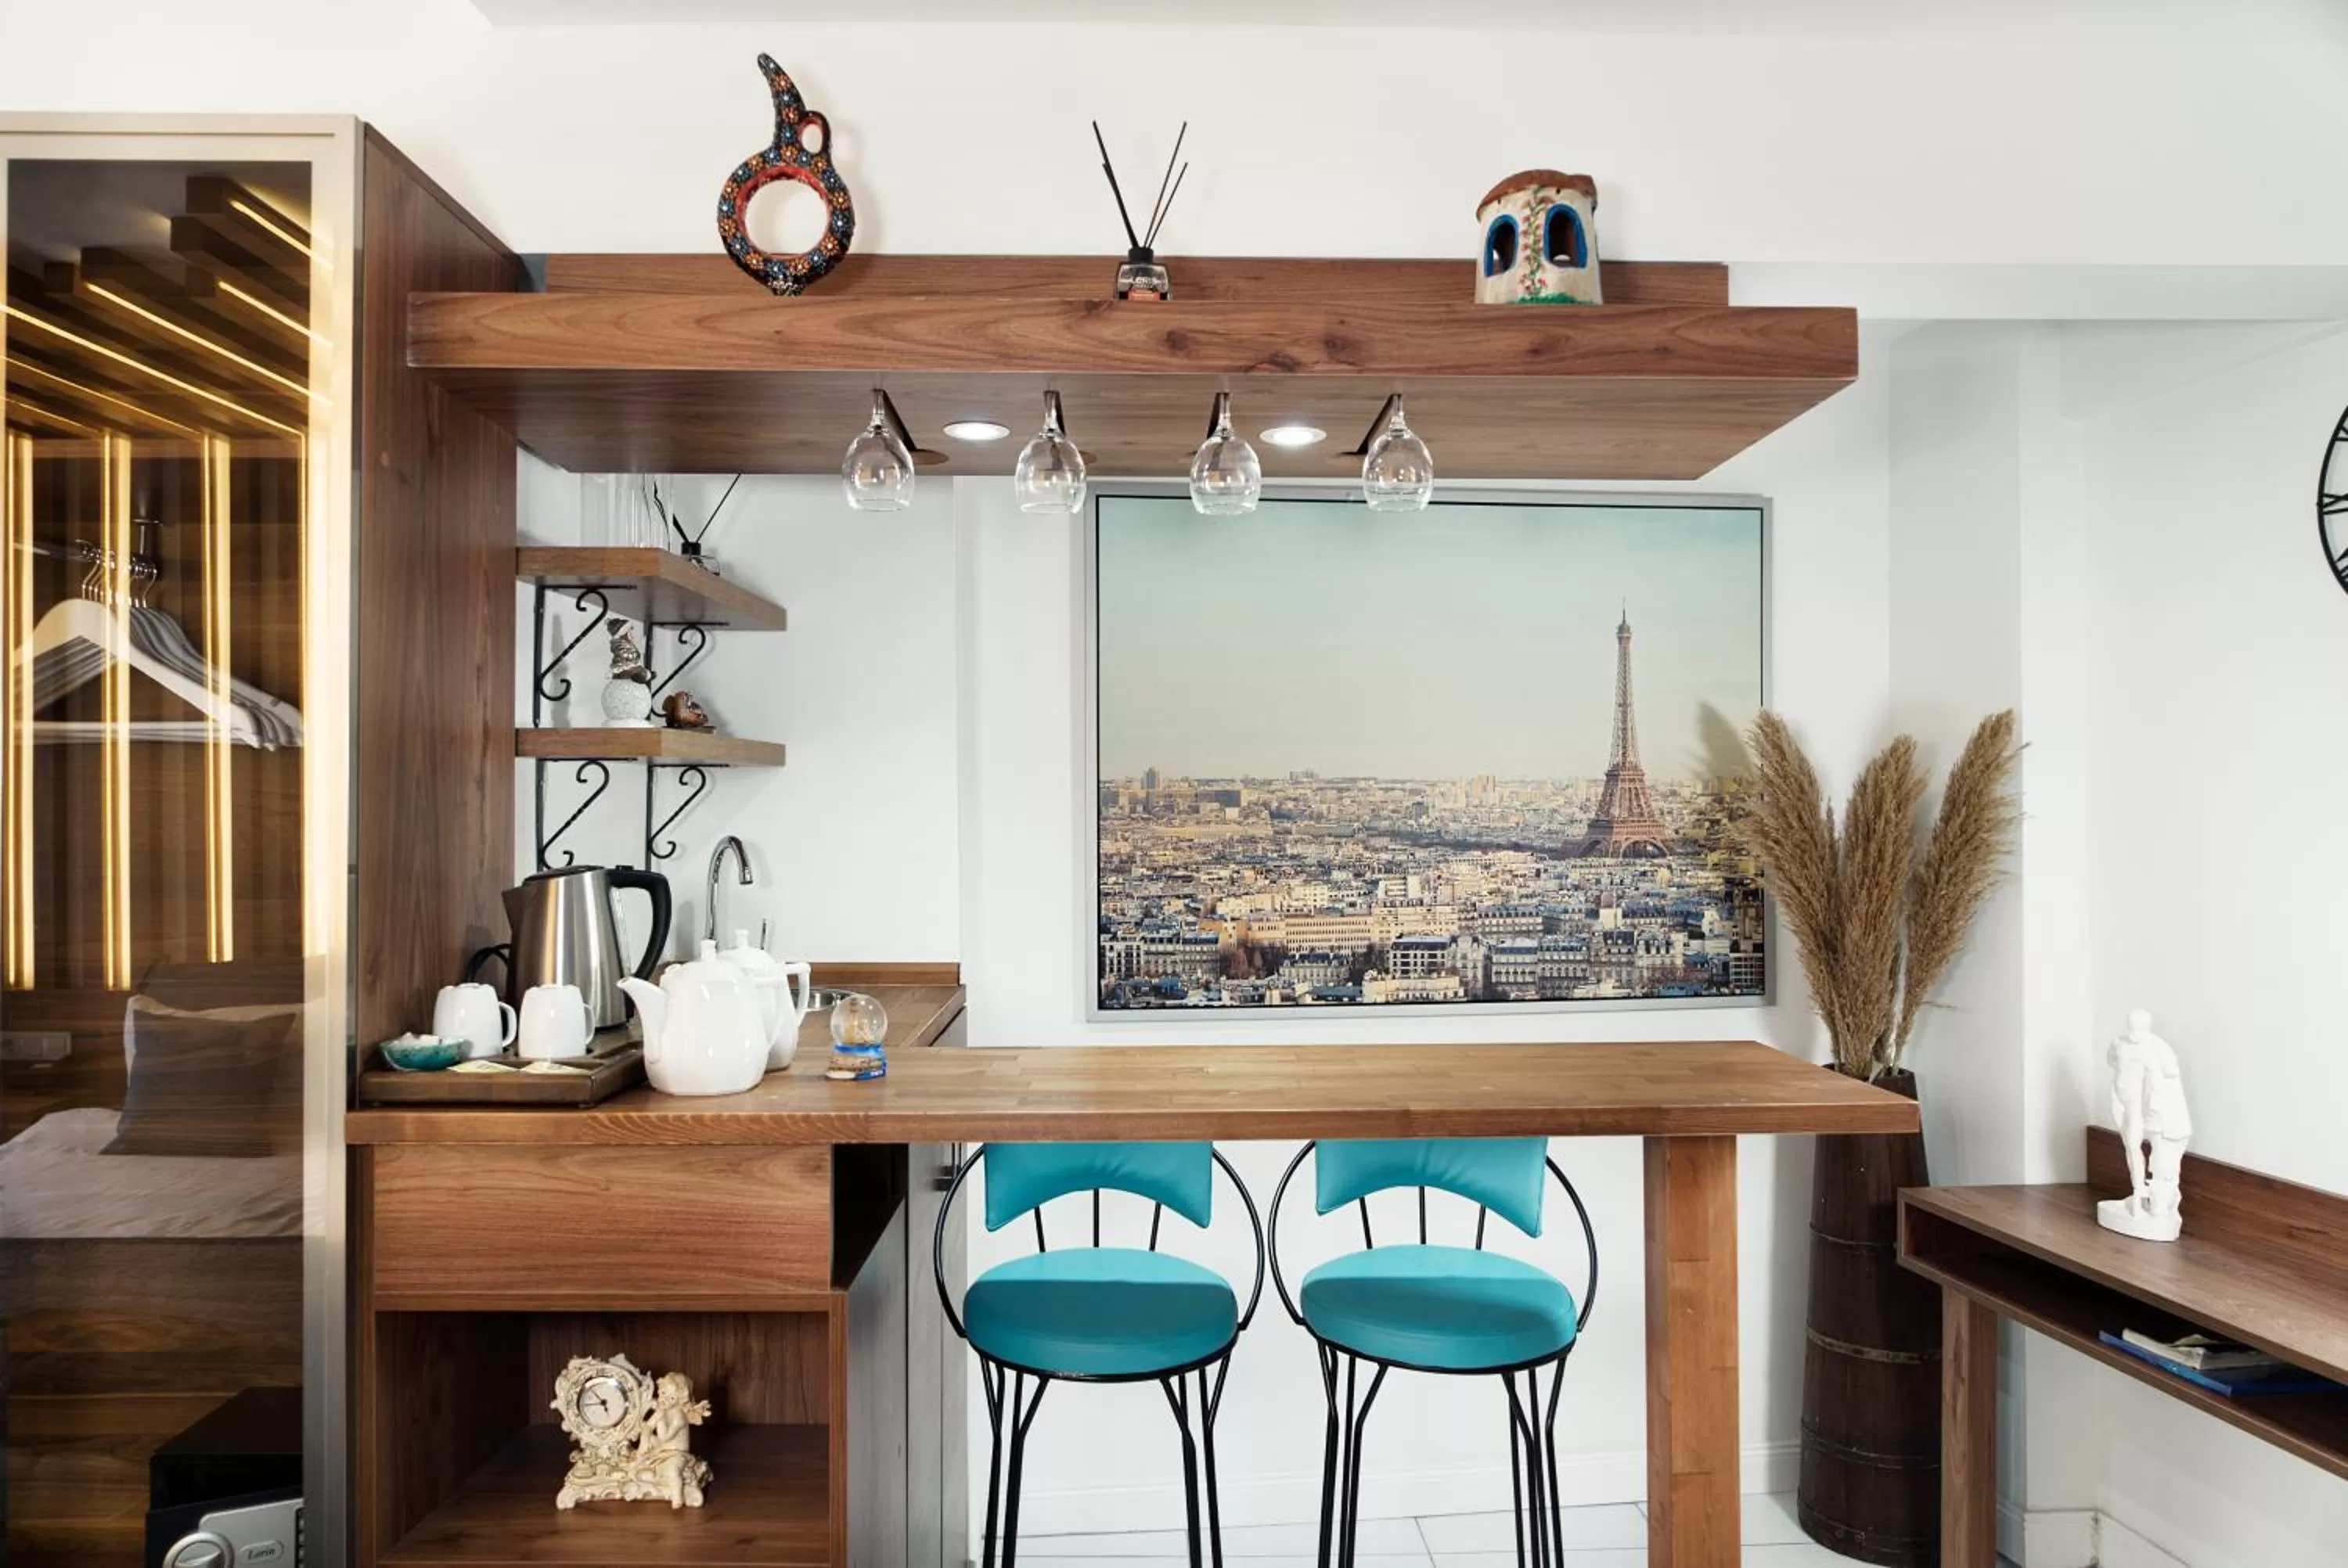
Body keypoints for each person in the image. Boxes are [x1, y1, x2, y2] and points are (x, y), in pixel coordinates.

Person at [2098, 1009, 2191, 1242]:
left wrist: (2158, 1105)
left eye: (2139, 1031)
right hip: (2121, 1101)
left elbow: (2168, 1076)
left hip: (2140, 1106)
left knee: (2137, 1146)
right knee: (2129, 1145)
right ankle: (2138, 1192)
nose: (2134, 1035)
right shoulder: (2119, 1043)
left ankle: (2142, 1193)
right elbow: (2112, 1062)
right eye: (2132, 1029)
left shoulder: (2157, 1048)